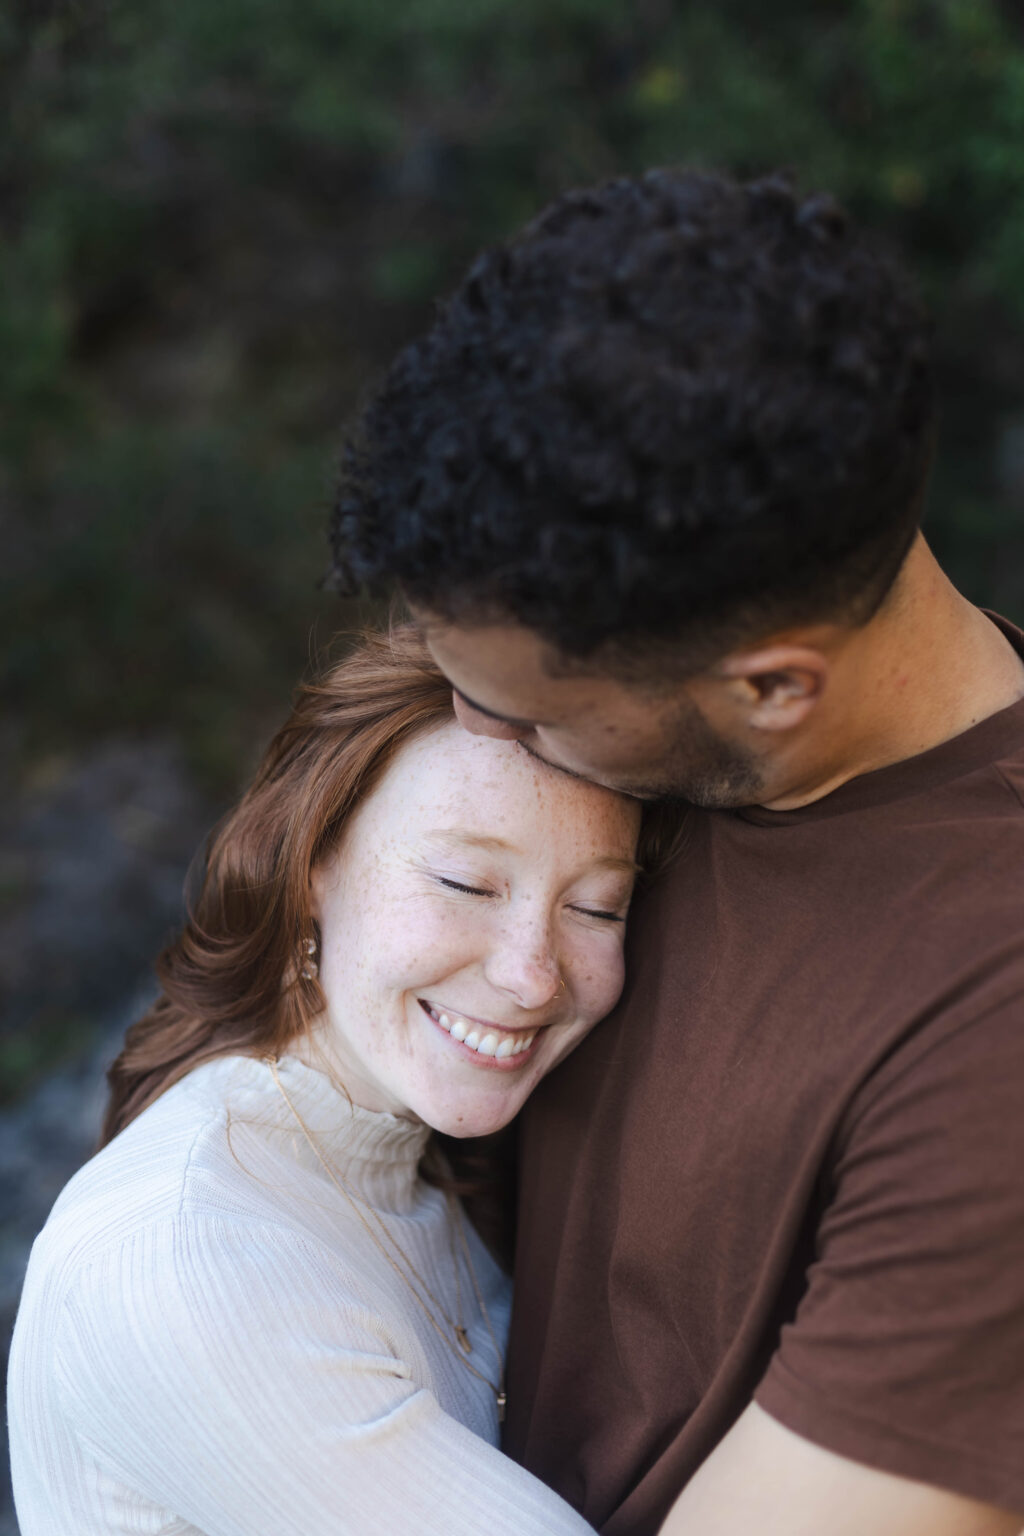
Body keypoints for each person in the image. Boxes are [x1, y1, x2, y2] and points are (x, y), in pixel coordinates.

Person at [328, 170, 1024, 1535]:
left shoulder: (990, 1032)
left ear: (772, 686)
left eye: (526, 711)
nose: (476, 734)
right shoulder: (653, 660)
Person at [8, 626, 678, 1536]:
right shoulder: (185, 1259)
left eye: (596, 906)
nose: (534, 975)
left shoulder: (418, 1160)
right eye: (466, 882)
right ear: (313, 867)